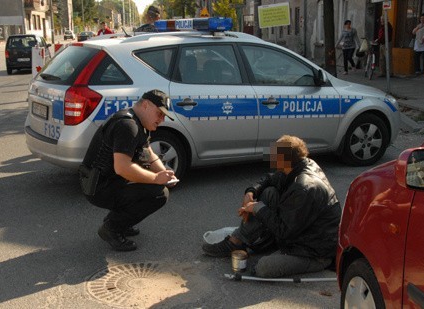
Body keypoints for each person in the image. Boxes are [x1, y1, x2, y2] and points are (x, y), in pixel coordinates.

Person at [202, 135, 342, 278]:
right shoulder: (298, 166)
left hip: (314, 250)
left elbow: (284, 230)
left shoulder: (303, 187)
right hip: (297, 231)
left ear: (284, 159)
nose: (270, 156)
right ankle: (236, 242)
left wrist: (258, 208)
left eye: (274, 154)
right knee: (269, 192)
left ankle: (308, 261)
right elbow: (269, 179)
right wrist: (251, 192)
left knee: (263, 268)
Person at [80, 89, 177, 252]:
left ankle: (120, 221)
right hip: (98, 187)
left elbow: (148, 152)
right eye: (159, 113)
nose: (162, 119)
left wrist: (165, 174)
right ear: (146, 105)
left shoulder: (137, 122)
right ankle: (112, 228)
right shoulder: (128, 125)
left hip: (105, 181)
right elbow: (122, 167)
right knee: (159, 193)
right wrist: (155, 179)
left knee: (153, 185)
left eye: (164, 115)